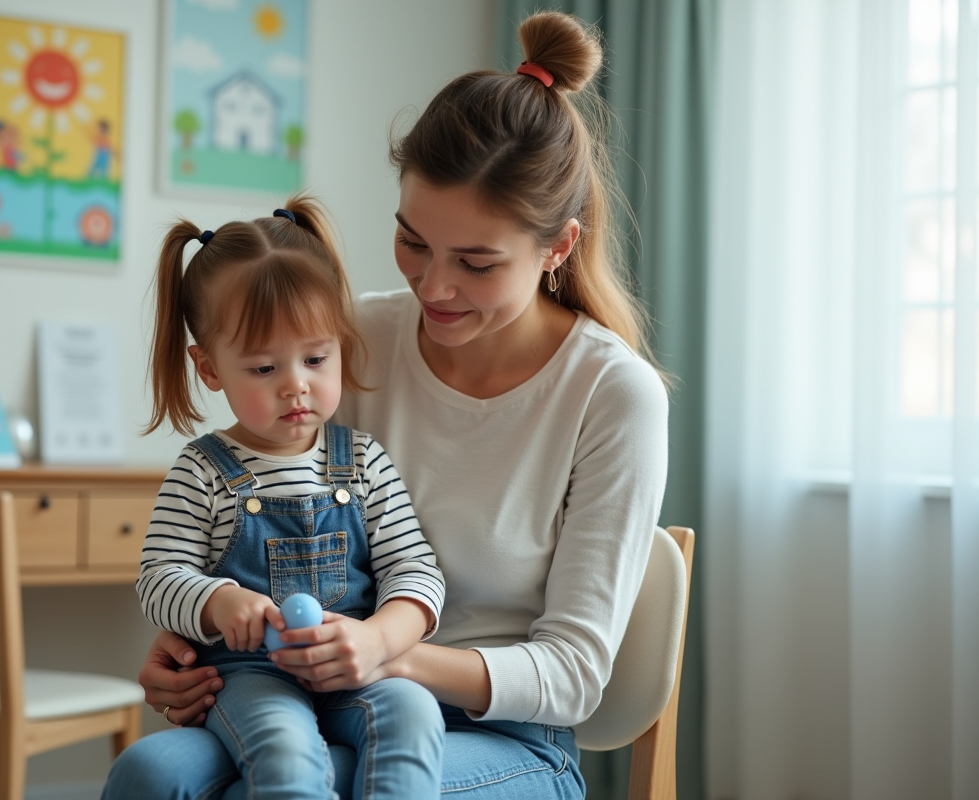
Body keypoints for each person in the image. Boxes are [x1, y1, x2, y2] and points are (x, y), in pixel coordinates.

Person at [104, 10, 669, 799]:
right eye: (413, 241)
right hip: (317, 691)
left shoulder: (611, 395)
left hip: (506, 736)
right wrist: (193, 640)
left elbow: (573, 676)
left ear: (558, 248)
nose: (434, 286)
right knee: (148, 775)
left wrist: (383, 652)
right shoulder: (348, 341)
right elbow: (268, 516)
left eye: (475, 263)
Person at [136, 195, 448, 799]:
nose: (295, 385)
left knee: (413, 714)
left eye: (314, 357)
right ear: (210, 369)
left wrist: (380, 636)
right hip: (252, 676)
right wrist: (218, 602)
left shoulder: (363, 461)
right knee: (287, 751)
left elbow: (415, 570)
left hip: (355, 663)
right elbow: (158, 577)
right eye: (262, 369)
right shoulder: (203, 471)